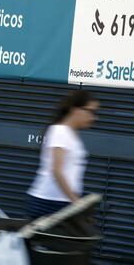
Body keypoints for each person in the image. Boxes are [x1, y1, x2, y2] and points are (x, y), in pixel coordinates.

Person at [26, 90, 99, 219]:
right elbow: (57, 171)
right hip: (48, 203)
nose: (93, 117)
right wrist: (76, 202)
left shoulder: (71, 133)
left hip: (62, 202)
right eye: (90, 111)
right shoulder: (60, 131)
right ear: (75, 110)